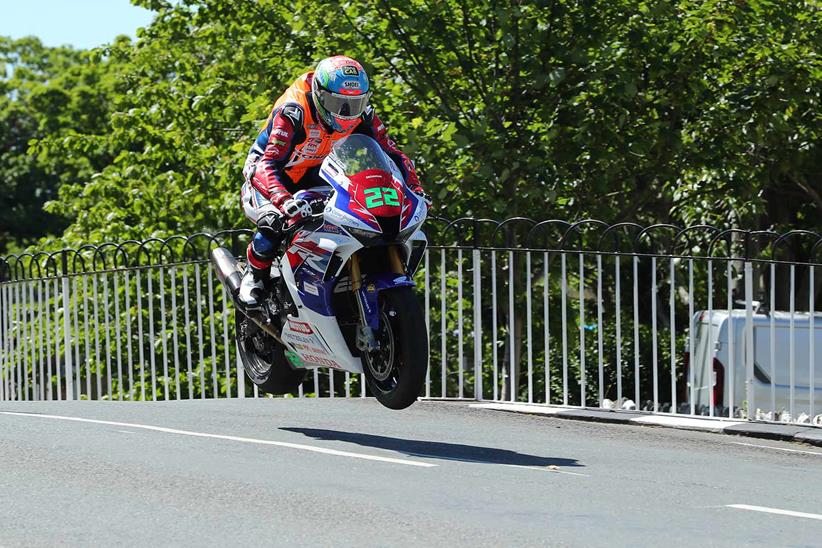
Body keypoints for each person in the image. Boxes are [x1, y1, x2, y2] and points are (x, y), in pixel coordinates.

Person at [238, 55, 429, 309]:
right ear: (319, 94)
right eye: (337, 103)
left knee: (349, 212)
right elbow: (267, 163)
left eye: (355, 103)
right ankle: (255, 275)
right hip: (269, 173)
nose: (346, 114)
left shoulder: (363, 114)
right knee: (275, 223)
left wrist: (414, 189)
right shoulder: (294, 111)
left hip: (314, 170)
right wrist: (284, 201)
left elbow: (392, 152)